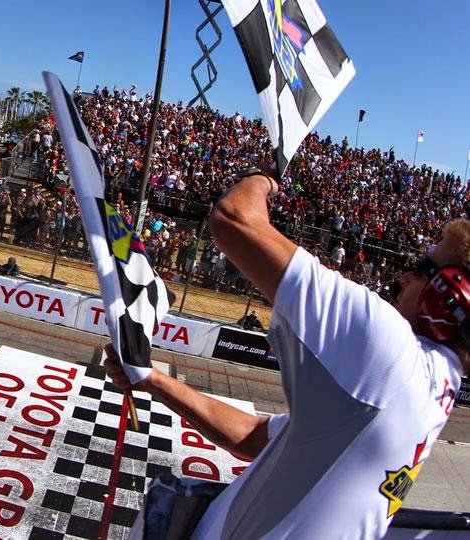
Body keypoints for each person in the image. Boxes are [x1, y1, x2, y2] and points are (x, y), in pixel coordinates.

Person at [104, 168, 467, 538]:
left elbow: (233, 218)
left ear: (452, 297)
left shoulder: (393, 354)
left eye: (422, 268)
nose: (403, 278)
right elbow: (253, 436)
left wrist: (264, 176)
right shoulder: (435, 386)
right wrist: (152, 379)